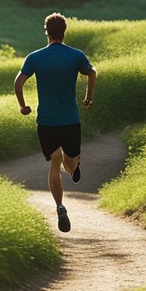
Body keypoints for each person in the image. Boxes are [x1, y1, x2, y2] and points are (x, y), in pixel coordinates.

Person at [13, 12, 97, 233]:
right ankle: (74, 166)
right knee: (69, 163)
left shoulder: (35, 57)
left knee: (54, 162)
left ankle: (60, 205)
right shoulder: (76, 55)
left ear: (47, 32)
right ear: (64, 31)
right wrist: (88, 98)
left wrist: (23, 106)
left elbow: (18, 82)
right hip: (70, 120)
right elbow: (92, 73)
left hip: (47, 122)